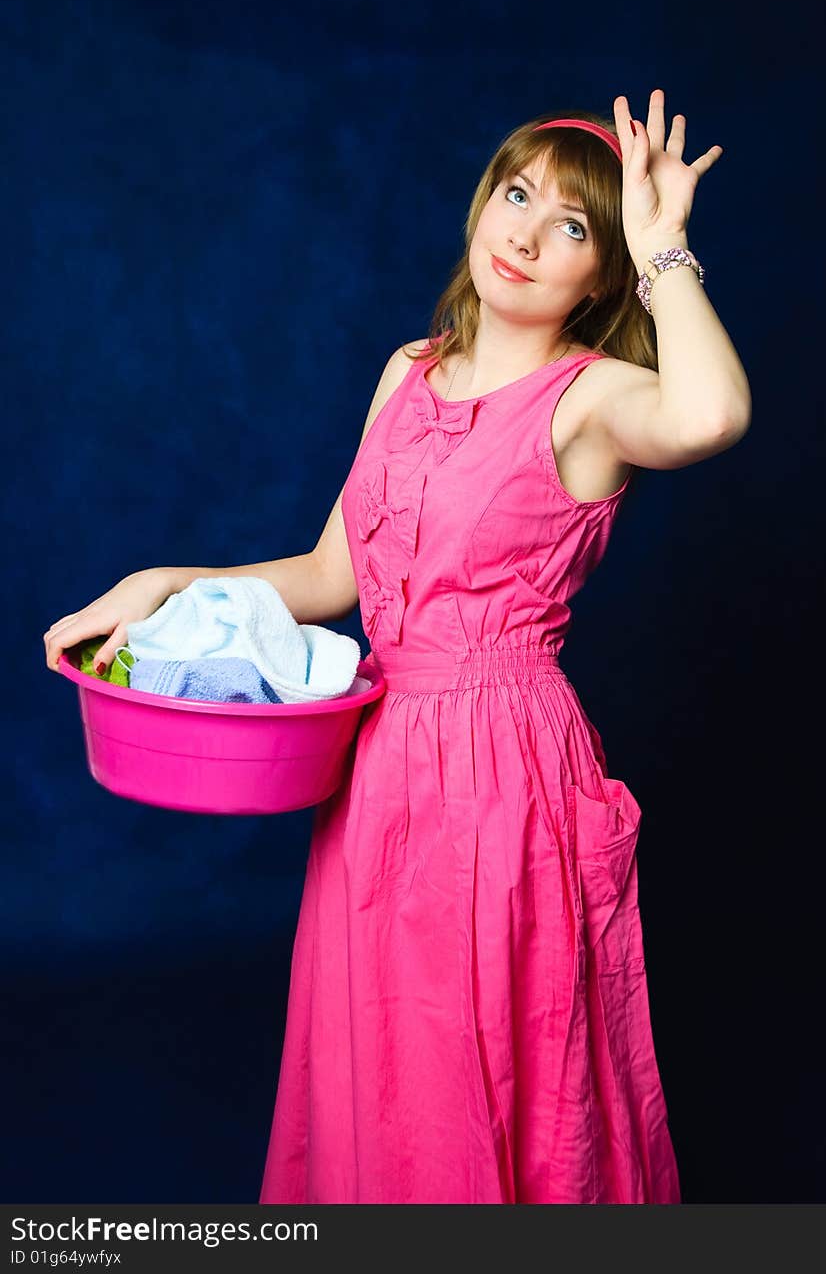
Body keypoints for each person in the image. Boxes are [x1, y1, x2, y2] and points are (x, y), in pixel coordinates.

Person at [44, 90, 751, 1203]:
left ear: (602, 273)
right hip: (380, 768)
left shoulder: (592, 399)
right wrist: (166, 582)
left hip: (506, 774)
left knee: (506, 1051)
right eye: (515, 195)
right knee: (392, 1062)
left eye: (571, 225)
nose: (521, 233)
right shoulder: (407, 370)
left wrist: (665, 250)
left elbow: (710, 414)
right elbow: (334, 579)